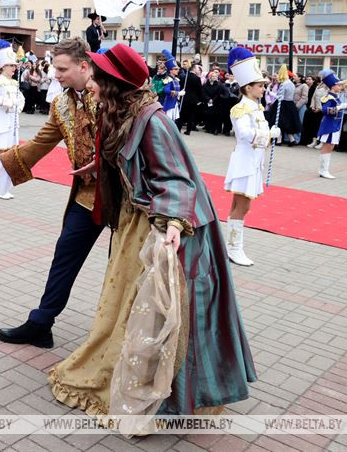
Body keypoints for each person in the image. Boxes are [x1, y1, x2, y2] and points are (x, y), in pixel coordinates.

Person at [47, 43, 255, 433]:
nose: (91, 82)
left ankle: (166, 398)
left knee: (161, 313)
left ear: (114, 83)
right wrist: (100, 163)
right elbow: (126, 156)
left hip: (169, 225)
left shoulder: (152, 120)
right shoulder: (122, 111)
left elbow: (175, 179)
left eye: (98, 77)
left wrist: (173, 228)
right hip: (141, 217)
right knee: (129, 305)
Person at [0, 38, 103, 348]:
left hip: (125, 196)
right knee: (64, 254)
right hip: (87, 196)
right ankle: (41, 324)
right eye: (54, 67)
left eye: (62, 69)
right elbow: (40, 143)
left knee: (127, 265)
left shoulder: (108, 94)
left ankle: (124, 335)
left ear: (83, 66)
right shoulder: (61, 103)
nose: (56, 74)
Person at [223, 48, 279, 267]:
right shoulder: (240, 108)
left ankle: (231, 246)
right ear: (248, 87)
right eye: (261, 85)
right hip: (245, 162)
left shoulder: (256, 107)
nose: (264, 89)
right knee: (242, 206)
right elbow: (244, 134)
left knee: (240, 205)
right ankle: (235, 248)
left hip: (253, 162)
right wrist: (269, 134)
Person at [0, 41, 25, 199]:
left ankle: (4, 185)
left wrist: (19, 105)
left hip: (13, 121)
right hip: (2, 119)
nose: (14, 68)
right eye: (11, 66)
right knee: (0, 152)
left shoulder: (14, 83)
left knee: (10, 153)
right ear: (3, 66)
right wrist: (10, 103)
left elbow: (21, 99)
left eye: (15, 66)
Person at [316, 71, 347, 179]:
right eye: (339, 85)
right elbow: (325, 110)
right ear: (332, 86)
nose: (341, 87)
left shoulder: (336, 96)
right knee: (328, 146)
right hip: (330, 125)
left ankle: (324, 170)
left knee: (331, 146)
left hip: (335, 125)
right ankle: (323, 170)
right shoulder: (329, 97)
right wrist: (339, 107)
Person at [266, 66, 301, 146]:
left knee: (278, 122)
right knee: (288, 122)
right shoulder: (292, 84)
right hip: (290, 104)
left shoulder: (283, 84)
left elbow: (280, 97)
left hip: (282, 104)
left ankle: (279, 139)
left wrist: (270, 93)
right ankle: (291, 139)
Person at [178, 59, 205, 135]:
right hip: (193, 99)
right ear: (194, 69)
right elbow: (199, 90)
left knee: (182, 114)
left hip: (184, 98)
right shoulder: (196, 78)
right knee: (191, 115)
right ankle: (188, 130)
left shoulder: (184, 77)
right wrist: (200, 99)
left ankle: (178, 128)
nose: (198, 70)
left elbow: (181, 87)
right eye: (197, 68)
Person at [305, 71, 331, 148]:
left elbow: (328, 100)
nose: (322, 79)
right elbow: (313, 97)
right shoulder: (318, 86)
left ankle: (322, 143)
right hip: (315, 109)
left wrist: (320, 108)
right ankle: (314, 141)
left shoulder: (329, 87)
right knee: (314, 126)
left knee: (321, 126)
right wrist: (312, 106)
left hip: (322, 110)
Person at [202, 69, 226, 135]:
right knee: (208, 115)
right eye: (213, 76)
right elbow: (203, 92)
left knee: (216, 116)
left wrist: (213, 100)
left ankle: (215, 129)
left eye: (215, 76)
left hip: (216, 103)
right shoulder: (206, 84)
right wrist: (208, 99)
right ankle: (208, 128)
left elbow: (218, 94)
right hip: (208, 102)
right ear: (210, 77)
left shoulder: (219, 85)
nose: (214, 77)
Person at [294, 74, 312, 145]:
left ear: (299, 78)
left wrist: (297, 106)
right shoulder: (294, 85)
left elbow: (304, 97)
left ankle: (297, 139)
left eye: (295, 76)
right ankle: (293, 138)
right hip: (294, 106)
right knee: (294, 122)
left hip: (301, 107)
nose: (294, 77)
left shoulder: (304, 86)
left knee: (300, 122)